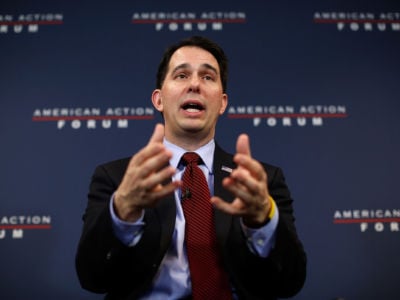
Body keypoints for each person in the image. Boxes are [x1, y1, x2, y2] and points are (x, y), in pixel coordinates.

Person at [75, 35, 307, 300]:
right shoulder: (117, 178)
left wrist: (262, 221)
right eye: (182, 75)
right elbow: (91, 277)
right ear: (158, 99)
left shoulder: (259, 181)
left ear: (222, 102)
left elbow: (290, 282)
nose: (195, 84)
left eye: (208, 77)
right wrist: (124, 211)